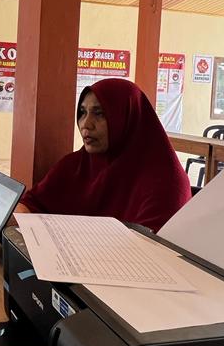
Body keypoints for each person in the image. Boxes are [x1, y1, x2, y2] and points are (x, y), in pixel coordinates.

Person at [16, 78, 191, 232]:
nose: (86, 124)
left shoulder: (166, 182)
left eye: (99, 114)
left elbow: (151, 248)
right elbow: (31, 204)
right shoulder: (76, 164)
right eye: (83, 113)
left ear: (127, 117)